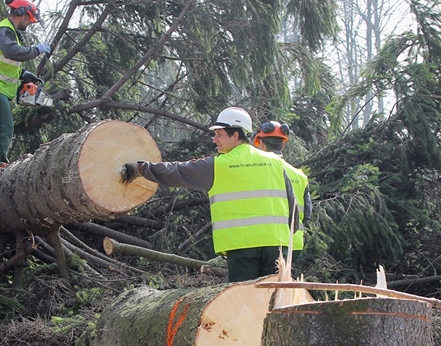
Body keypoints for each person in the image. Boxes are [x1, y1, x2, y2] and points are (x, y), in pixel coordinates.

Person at [120, 107, 297, 282]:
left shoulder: (218, 165)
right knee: (276, 300)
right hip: (278, 247)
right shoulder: (275, 162)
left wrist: (141, 168)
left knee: (243, 303)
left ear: (235, 135)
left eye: (219, 134)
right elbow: (293, 207)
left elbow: (177, 172)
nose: (215, 140)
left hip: (242, 248)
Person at [0, 0, 51, 177]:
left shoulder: (7, 31)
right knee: (4, 125)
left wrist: (23, 74)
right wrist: (37, 49)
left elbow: (3, 62)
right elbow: (12, 52)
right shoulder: (5, 30)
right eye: (30, 19)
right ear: (22, 14)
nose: (29, 24)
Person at [252, 120, 312, 262]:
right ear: (283, 144)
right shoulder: (300, 176)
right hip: (293, 245)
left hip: (261, 243)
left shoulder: (254, 171)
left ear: (259, 143)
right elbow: (307, 214)